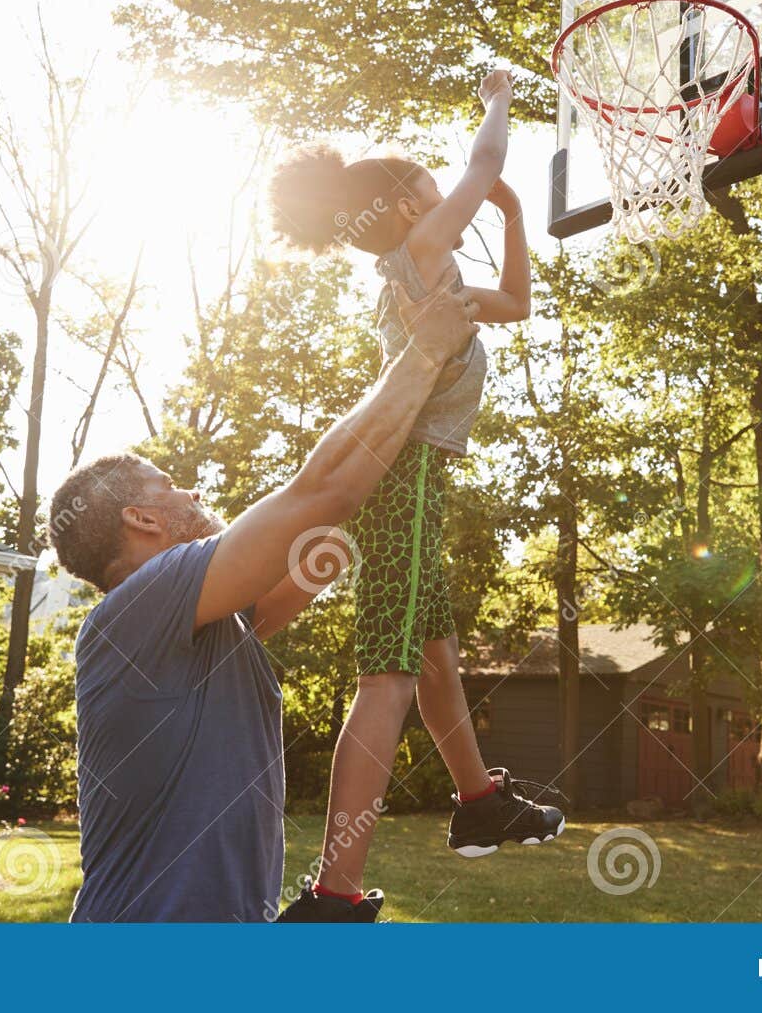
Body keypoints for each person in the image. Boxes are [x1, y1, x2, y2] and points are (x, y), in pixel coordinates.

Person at [48, 272, 476, 923]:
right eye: (171, 484)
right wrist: (419, 353)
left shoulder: (210, 622)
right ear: (141, 519)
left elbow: (321, 538)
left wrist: (406, 437)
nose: (192, 493)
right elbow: (320, 496)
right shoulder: (136, 608)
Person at [264, 68, 564, 924]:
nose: (452, 197)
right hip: (406, 479)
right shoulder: (419, 251)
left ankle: (477, 803)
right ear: (404, 208)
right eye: (435, 192)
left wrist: (510, 216)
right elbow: (488, 158)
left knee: (433, 656)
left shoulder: (428, 276)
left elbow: (515, 302)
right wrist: (497, 97)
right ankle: (333, 892)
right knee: (389, 674)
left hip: (418, 478)